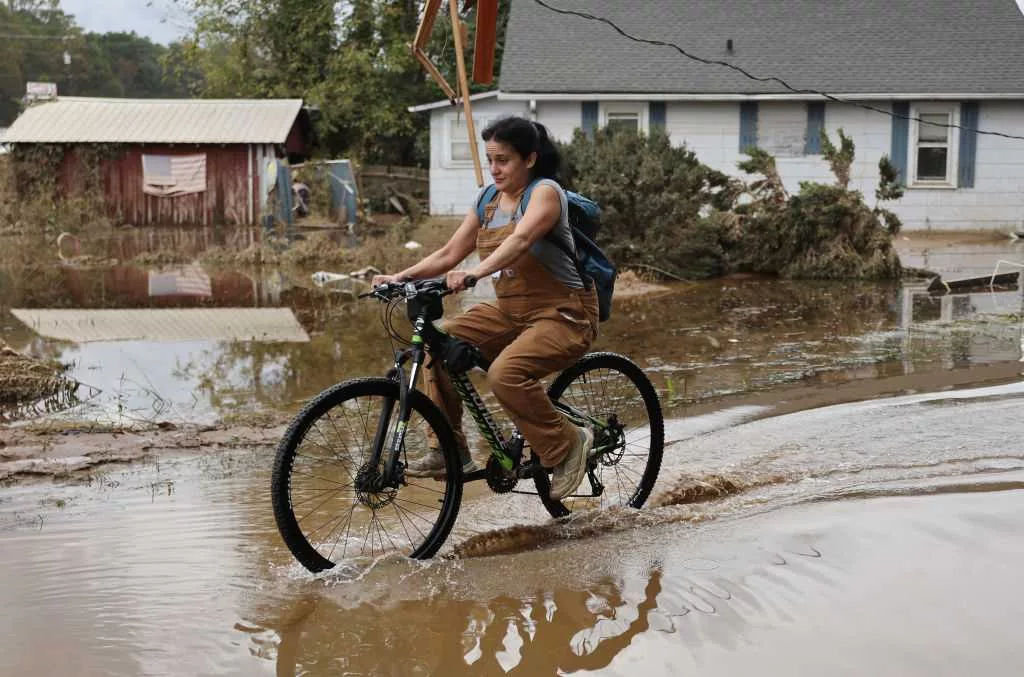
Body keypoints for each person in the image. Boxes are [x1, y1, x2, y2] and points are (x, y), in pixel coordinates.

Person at [371, 116, 599, 500]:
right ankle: (449, 450)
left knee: (506, 375)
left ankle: (569, 445)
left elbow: (523, 238)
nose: (494, 169)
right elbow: (448, 252)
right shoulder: (487, 200)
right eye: (491, 159)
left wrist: (474, 273)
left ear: (529, 158)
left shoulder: (545, 192)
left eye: (504, 160)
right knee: (436, 345)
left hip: (565, 312)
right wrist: (399, 277)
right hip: (510, 312)